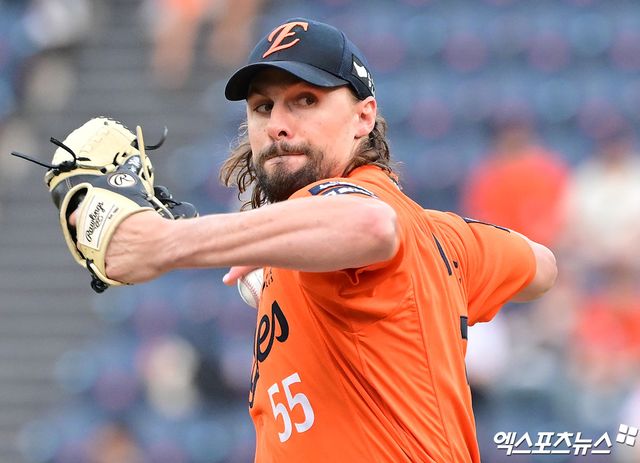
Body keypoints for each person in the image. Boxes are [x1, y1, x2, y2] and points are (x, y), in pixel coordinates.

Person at [83, 17, 557, 463]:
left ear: (363, 117)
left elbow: (369, 226)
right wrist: (279, 235)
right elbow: (541, 266)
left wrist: (161, 241)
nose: (277, 123)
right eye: (263, 106)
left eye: (306, 100)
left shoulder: (353, 207)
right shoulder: (441, 236)